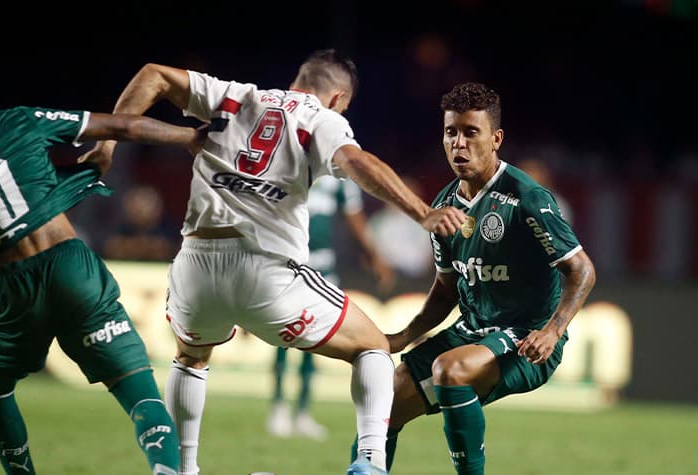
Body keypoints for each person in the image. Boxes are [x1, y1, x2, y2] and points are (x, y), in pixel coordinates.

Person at [82, 49, 467, 475]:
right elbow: (355, 161)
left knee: (191, 358)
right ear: (338, 98)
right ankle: (371, 462)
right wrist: (423, 212)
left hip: (194, 264)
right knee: (372, 345)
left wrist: (107, 141)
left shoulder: (235, 95)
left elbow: (153, 74)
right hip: (264, 269)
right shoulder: (322, 118)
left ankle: (178, 467)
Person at [0, 60, 204, 475]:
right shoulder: (17, 120)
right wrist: (190, 136)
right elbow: (123, 127)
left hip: (9, 289)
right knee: (136, 388)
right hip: (70, 268)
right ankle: (167, 470)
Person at [349, 82, 596, 474]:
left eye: (470, 132)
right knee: (386, 400)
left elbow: (581, 269)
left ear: (496, 139)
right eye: (451, 132)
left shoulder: (527, 197)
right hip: (473, 330)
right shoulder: (445, 205)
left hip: (525, 336)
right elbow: (446, 288)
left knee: (451, 370)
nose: (459, 144)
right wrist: (405, 336)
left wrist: (552, 332)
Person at [266, 174, 395, 440]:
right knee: (280, 336)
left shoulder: (338, 170)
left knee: (315, 340)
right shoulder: (289, 158)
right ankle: (278, 407)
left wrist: (374, 255)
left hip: (322, 265)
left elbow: (353, 214)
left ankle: (302, 411)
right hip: (286, 262)